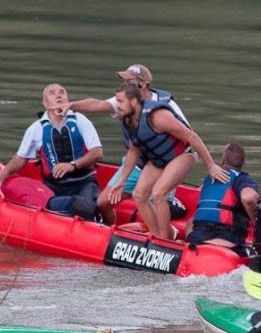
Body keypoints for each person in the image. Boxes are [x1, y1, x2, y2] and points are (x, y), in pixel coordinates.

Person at [60, 64, 187, 225]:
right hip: (136, 164)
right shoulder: (123, 100)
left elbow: (188, 138)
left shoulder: (167, 107)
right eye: (124, 80)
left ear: (144, 85)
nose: (125, 84)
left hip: (162, 164)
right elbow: (98, 104)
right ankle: (109, 233)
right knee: (103, 203)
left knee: (158, 201)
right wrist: (71, 105)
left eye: (130, 81)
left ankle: (164, 233)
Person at [111, 83, 229, 239]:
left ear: (133, 102)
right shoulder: (129, 120)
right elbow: (134, 150)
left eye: (120, 101)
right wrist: (121, 181)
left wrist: (211, 165)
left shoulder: (158, 116)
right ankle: (158, 234)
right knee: (139, 195)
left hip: (182, 155)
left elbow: (191, 136)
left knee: (159, 193)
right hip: (158, 159)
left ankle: (164, 239)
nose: (116, 106)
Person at [0, 83, 103, 220]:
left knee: (85, 207)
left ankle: (86, 212)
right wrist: (3, 174)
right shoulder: (35, 129)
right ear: (45, 103)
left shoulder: (81, 121)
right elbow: (21, 158)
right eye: (52, 93)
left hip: (84, 182)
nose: (58, 95)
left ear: (67, 100)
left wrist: (72, 165)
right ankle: (67, 209)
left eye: (62, 92)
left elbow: (97, 153)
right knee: (59, 205)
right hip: (54, 187)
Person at [186, 143, 259, 253]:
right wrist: (255, 219)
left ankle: (188, 248)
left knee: (191, 220)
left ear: (223, 160)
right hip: (228, 241)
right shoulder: (243, 179)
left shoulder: (209, 179)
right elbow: (248, 198)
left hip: (198, 239)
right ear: (243, 163)